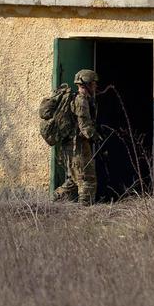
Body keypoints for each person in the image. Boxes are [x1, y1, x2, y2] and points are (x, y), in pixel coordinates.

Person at [54, 69, 99, 205]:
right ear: (87, 84)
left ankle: (52, 202)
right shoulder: (81, 101)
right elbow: (84, 125)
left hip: (70, 146)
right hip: (77, 147)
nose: (95, 86)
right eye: (93, 83)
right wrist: (96, 136)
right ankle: (85, 213)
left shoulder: (76, 98)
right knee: (87, 179)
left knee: (73, 181)